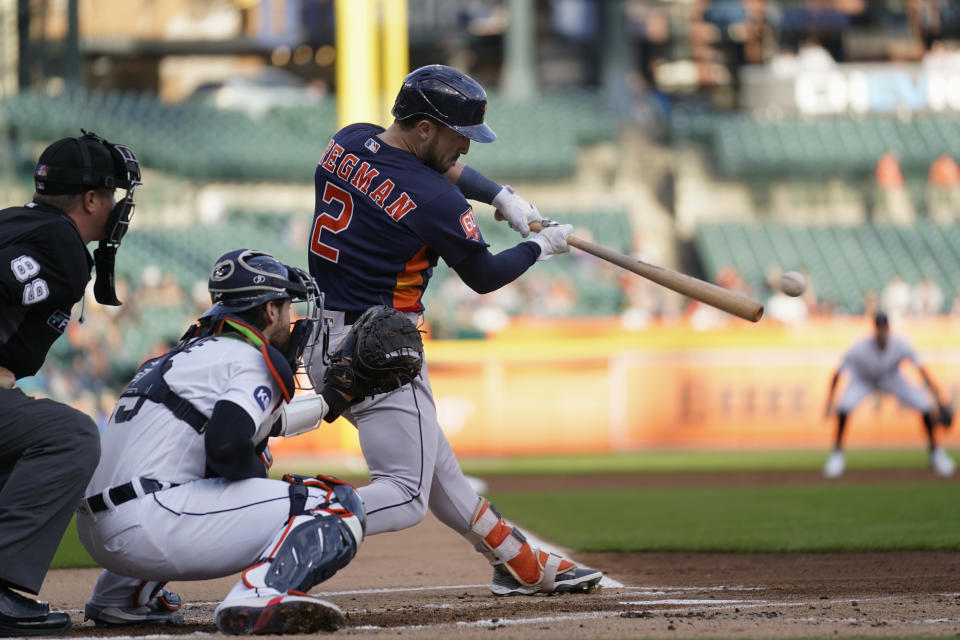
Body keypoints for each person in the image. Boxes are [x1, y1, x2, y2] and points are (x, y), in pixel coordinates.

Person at [304, 64, 603, 596]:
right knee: (405, 495)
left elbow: (422, 171)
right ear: (424, 129)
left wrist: (500, 195)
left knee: (443, 477)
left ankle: (519, 563)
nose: (465, 150)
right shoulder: (437, 201)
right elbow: (484, 276)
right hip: (377, 352)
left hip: (322, 339)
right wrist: (541, 246)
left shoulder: (350, 139)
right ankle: (298, 520)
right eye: (457, 136)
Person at [76, 249, 387, 635]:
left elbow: (250, 425)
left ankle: (120, 598)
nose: (292, 319)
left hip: (99, 529)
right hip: (150, 526)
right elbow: (226, 445)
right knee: (335, 504)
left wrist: (331, 403)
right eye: (288, 307)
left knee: (212, 468)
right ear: (270, 311)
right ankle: (259, 592)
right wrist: (255, 477)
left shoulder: (184, 356)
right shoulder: (250, 358)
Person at [0, 131, 141, 637]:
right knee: (70, 435)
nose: (118, 209)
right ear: (90, 199)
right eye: (113, 197)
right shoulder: (61, 242)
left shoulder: (16, 221)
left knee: (21, 443)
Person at [822, 311, 955, 478]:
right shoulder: (860, 347)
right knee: (844, 406)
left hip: (891, 379)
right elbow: (837, 373)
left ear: (889, 328)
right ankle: (836, 455)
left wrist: (938, 399)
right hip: (864, 379)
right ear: (875, 329)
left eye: (884, 326)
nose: (882, 330)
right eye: (879, 327)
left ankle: (936, 454)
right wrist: (829, 402)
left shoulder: (900, 344)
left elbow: (921, 371)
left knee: (925, 405)